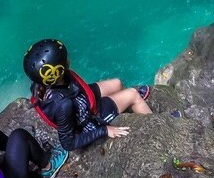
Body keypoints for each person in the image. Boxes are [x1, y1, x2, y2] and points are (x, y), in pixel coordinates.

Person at [23, 39, 152, 151]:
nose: (68, 59)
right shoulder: (63, 105)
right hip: (86, 119)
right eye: (64, 59)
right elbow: (68, 143)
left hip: (77, 96)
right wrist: (105, 130)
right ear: (60, 70)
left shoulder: (43, 83)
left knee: (117, 83)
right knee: (133, 94)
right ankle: (154, 122)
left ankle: (126, 103)